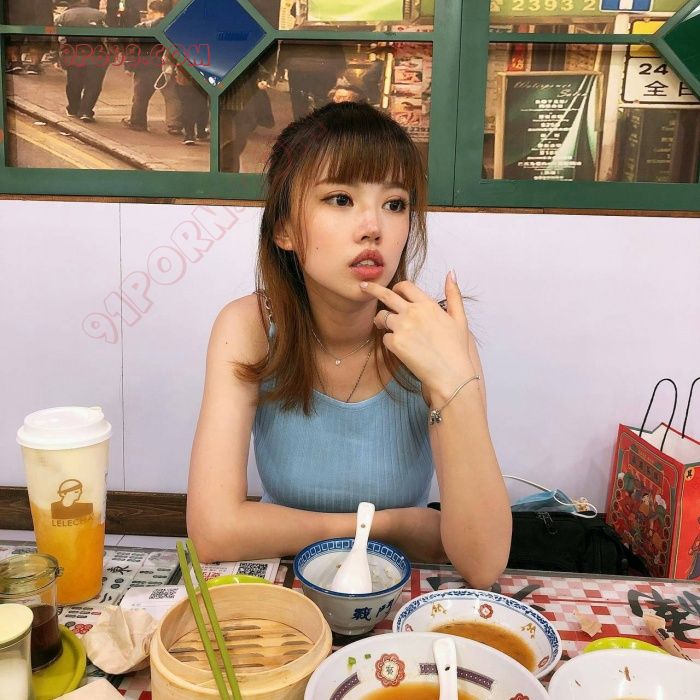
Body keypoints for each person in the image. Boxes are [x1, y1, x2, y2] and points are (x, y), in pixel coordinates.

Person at [187, 102, 511, 588]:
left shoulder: (436, 336)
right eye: (340, 199)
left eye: (395, 203)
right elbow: (213, 532)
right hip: (288, 600)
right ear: (284, 228)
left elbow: (482, 563)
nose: (373, 227)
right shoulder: (249, 326)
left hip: (399, 599)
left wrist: (452, 384)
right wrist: (398, 526)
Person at [56, 0, 109, 122]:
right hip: (96, 54)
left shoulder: (64, 16)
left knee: (74, 82)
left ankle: (73, 108)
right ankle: (86, 111)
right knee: (93, 84)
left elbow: (61, 38)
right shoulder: (100, 15)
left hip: (73, 54)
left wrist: (58, 55)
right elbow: (107, 36)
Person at [121, 1, 167, 132]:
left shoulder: (143, 28)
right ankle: (176, 125)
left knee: (140, 96)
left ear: (151, 11)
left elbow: (133, 48)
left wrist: (129, 66)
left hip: (145, 67)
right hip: (167, 68)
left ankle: (137, 122)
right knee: (173, 98)